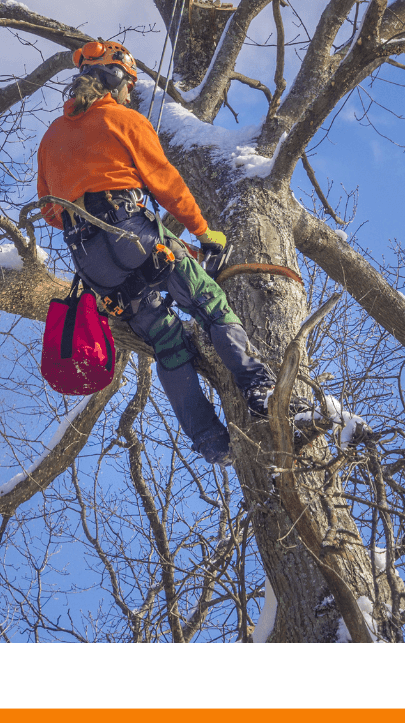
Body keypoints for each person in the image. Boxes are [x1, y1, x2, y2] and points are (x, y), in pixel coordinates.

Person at [36, 39, 280, 465]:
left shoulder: (51, 138)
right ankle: (259, 387)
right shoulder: (124, 119)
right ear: (113, 80)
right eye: (128, 84)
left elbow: (50, 213)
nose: (131, 93)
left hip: (90, 261)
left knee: (167, 342)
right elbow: (166, 184)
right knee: (210, 303)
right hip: (130, 231)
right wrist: (204, 233)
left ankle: (210, 441)